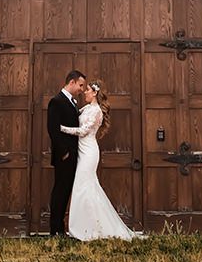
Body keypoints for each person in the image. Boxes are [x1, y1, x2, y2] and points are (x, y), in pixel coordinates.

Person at [57, 81, 142, 241]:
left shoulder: (96, 111)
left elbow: (83, 131)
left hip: (89, 152)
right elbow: (74, 116)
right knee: (85, 188)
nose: (85, 93)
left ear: (95, 93)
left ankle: (89, 229)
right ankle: (88, 226)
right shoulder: (86, 108)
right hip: (82, 151)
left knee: (83, 187)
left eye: (87, 90)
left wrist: (60, 128)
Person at [46, 70, 87, 236]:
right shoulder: (56, 101)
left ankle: (60, 229)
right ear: (71, 82)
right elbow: (53, 130)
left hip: (73, 155)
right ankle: (55, 229)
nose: (82, 89)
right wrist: (64, 152)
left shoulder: (73, 102)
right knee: (60, 192)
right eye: (80, 85)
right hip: (64, 156)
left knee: (66, 191)